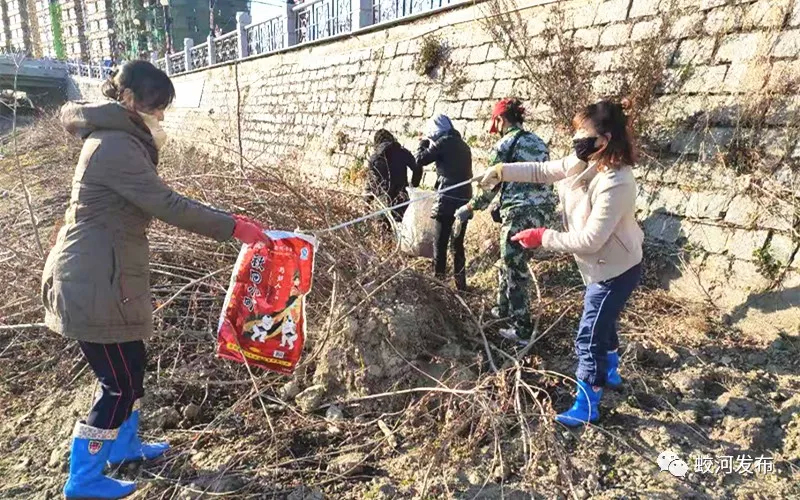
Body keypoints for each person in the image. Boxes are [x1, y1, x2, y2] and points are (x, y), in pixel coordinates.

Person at [42, 61, 271, 499]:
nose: (161, 116)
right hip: (92, 280)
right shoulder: (114, 145)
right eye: (157, 106)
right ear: (129, 100)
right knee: (119, 382)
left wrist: (230, 222)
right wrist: (232, 227)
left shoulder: (119, 137)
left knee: (132, 365)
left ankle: (125, 445)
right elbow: (166, 203)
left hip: (108, 276)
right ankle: (84, 477)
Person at [480, 99, 643, 427]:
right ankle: (610, 372)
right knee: (604, 323)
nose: (577, 139)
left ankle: (587, 405)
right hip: (600, 265)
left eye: (584, 133)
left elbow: (589, 240)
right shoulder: (586, 159)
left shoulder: (616, 181)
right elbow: (543, 171)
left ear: (604, 139)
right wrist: (501, 171)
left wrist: (543, 236)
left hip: (615, 269)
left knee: (589, 335)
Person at [456, 98, 556, 344]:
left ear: (500, 120)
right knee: (510, 260)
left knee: (515, 269)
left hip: (519, 212)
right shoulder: (539, 142)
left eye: (495, 124)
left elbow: (491, 184)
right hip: (543, 212)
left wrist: (470, 207)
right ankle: (503, 308)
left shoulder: (505, 144)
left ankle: (522, 329)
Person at [415, 114, 473, 290]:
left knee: (440, 243)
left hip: (446, 200)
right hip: (464, 200)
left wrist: (422, 144)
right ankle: (461, 285)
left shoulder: (442, 143)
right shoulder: (464, 145)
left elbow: (420, 160)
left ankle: (438, 284)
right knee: (457, 244)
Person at [364, 128, 421, 223]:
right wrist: (413, 185)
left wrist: (366, 203)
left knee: (384, 233)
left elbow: (371, 184)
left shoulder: (374, 158)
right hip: (401, 199)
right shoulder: (403, 152)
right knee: (401, 229)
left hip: (382, 202)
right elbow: (417, 167)